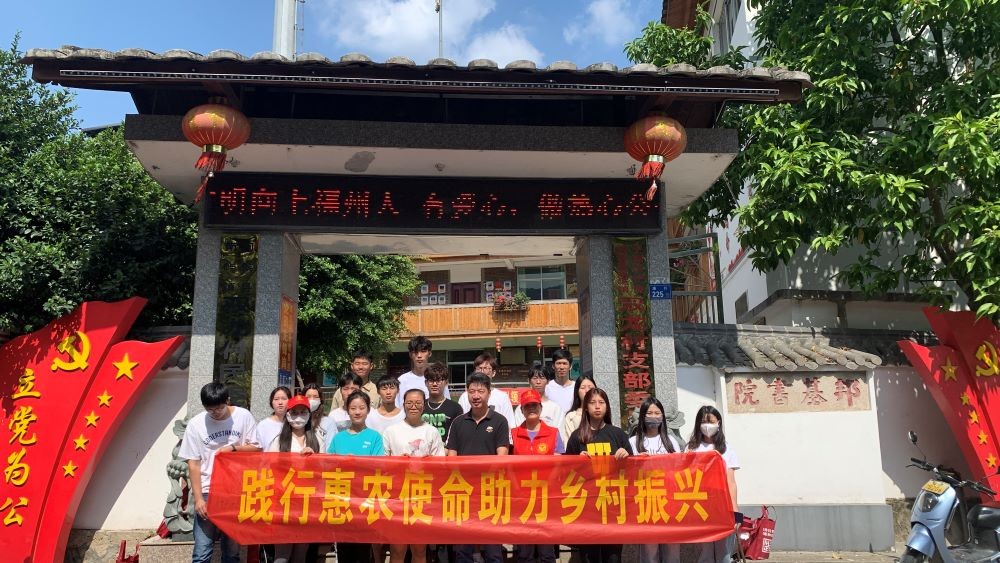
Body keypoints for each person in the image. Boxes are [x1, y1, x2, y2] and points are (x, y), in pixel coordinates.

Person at [178, 382, 261, 563]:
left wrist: (233, 448)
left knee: (232, 551)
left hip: (236, 491)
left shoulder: (243, 416)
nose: (215, 413)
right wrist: (198, 498)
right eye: (210, 409)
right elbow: (193, 463)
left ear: (228, 401)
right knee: (202, 550)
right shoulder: (196, 424)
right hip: (208, 490)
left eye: (219, 408)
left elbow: (257, 448)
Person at [446, 372, 511, 563]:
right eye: (472, 391)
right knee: (463, 547)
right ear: (467, 393)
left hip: (490, 490)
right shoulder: (458, 422)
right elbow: (451, 456)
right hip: (463, 491)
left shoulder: (499, 421)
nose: (476, 396)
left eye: (481, 391)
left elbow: (502, 456)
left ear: (489, 393)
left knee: (492, 547)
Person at [565, 387, 632, 563]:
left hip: (613, 506)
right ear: (585, 407)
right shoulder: (577, 437)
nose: (597, 406)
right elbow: (565, 474)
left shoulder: (618, 435)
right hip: (587, 508)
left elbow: (633, 472)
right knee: (589, 557)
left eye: (601, 402)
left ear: (607, 407)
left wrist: (626, 455)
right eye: (592, 403)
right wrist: (576, 462)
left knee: (613, 558)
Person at [383, 389, 444, 563]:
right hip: (397, 497)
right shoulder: (391, 431)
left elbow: (441, 465)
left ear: (424, 405)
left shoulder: (432, 431)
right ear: (403, 404)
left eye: (418, 403)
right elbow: (382, 464)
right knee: (397, 549)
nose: (413, 406)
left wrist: (429, 462)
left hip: (422, 496)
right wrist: (397, 463)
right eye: (409, 403)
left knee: (419, 549)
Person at [328, 390, 384, 563]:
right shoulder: (338, 438)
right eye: (353, 408)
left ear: (368, 410)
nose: (357, 412)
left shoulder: (375, 437)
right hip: (342, 501)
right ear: (347, 410)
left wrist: (356, 463)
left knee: (363, 552)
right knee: (344, 551)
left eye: (361, 408)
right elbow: (327, 465)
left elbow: (379, 466)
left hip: (365, 501)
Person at [264, 395, 319, 563]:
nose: (298, 416)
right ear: (287, 415)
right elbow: (269, 470)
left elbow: (324, 471)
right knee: (282, 555)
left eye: (303, 412)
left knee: (300, 555)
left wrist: (314, 459)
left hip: (307, 505)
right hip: (283, 504)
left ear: (309, 415)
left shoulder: (317, 440)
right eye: (294, 412)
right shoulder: (279, 441)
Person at [629, 397, 683, 563]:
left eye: (657, 413)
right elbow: (627, 474)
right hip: (646, 504)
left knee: (672, 550)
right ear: (642, 416)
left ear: (663, 416)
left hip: (669, 503)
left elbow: (680, 470)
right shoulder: (632, 442)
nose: (653, 416)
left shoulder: (671, 441)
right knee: (649, 551)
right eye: (649, 413)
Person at [510, 388, 562, 563]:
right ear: (522, 410)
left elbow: (560, 464)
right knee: (525, 550)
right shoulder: (513, 434)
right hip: (522, 498)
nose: (531, 409)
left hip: (547, 497)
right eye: (527, 406)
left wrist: (549, 485)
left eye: (534, 405)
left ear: (541, 407)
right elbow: (509, 465)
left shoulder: (554, 433)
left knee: (546, 549)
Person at [687, 406, 741, 563]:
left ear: (718, 423)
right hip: (700, 506)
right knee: (705, 552)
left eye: (711, 421)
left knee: (724, 553)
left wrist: (736, 512)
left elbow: (731, 482)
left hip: (722, 506)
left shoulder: (727, 449)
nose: (707, 425)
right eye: (703, 422)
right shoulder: (691, 448)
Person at [457, 353, 516, 432]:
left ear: (493, 373)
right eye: (479, 368)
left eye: (486, 368)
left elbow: (510, 425)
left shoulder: (502, 397)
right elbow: (460, 422)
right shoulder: (465, 396)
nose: (482, 371)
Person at [421, 361, 463, 443]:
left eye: (439, 380)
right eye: (431, 380)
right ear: (426, 383)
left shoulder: (455, 408)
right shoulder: (419, 406)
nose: (434, 384)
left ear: (446, 382)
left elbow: (459, 435)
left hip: (446, 450)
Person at [559, 372, 596, 446]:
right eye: (583, 388)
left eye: (590, 388)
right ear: (577, 391)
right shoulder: (571, 416)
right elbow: (569, 443)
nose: (587, 390)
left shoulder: (600, 413)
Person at [397, 335, 433, 408]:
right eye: (415, 352)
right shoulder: (402, 380)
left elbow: (446, 405)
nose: (419, 356)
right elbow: (398, 408)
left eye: (423, 351)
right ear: (410, 354)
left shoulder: (438, 379)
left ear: (429, 354)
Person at [304, 383, 336, 451]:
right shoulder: (298, 420)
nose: (312, 399)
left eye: (315, 397)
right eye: (308, 397)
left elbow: (330, 447)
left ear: (320, 400)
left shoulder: (328, 422)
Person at [257, 385, 291, 451]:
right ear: (271, 402)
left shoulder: (294, 424)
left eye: (284, 399)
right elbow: (258, 449)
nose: (280, 402)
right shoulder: (263, 425)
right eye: (276, 399)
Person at [544, 348, 576, 415]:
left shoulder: (576, 387)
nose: (561, 367)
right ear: (553, 366)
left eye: (565, 363)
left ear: (570, 366)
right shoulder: (547, 387)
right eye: (558, 363)